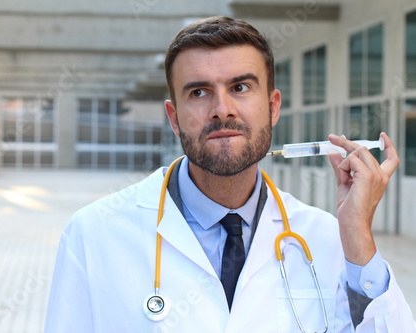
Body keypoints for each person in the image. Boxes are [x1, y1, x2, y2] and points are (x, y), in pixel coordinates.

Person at [44, 16, 415, 332]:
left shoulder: (329, 240)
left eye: (240, 87)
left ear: (272, 107)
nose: (222, 110)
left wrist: (358, 238)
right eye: (200, 92)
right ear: (174, 118)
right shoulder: (93, 235)